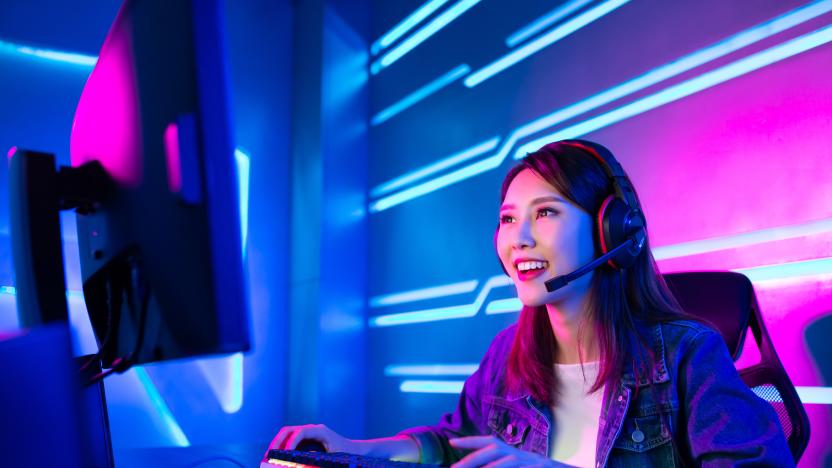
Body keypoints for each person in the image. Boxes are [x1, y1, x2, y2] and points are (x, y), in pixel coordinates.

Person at [268, 140, 793, 467]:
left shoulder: (685, 355)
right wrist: (357, 449)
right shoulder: (509, 357)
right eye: (506, 218)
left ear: (612, 229)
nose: (517, 238)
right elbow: (454, 442)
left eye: (544, 214)